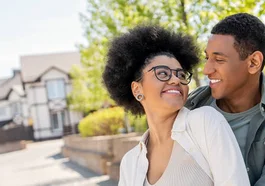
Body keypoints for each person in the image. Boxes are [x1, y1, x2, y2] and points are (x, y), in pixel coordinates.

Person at [103, 25, 250, 186]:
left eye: (180, 74)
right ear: (137, 89)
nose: (175, 80)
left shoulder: (204, 123)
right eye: (163, 73)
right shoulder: (130, 163)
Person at [186, 13, 265, 185]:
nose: (206, 69)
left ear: (253, 62)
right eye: (207, 58)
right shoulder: (191, 107)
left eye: (219, 60)